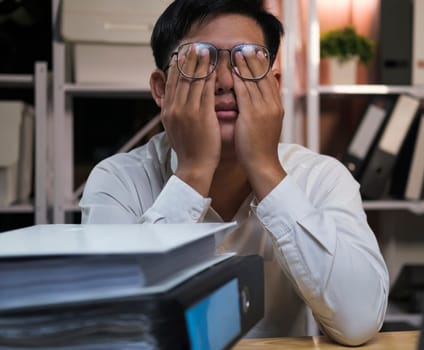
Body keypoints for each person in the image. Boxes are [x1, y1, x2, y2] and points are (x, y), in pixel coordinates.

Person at [80, 0, 389, 345]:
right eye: (200, 59)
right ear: (162, 90)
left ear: (274, 87)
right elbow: (112, 330)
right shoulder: (117, 180)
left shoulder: (321, 177)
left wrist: (266, 169)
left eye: (247, 61)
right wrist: (194, 173)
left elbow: (359, 322)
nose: (226, 81)